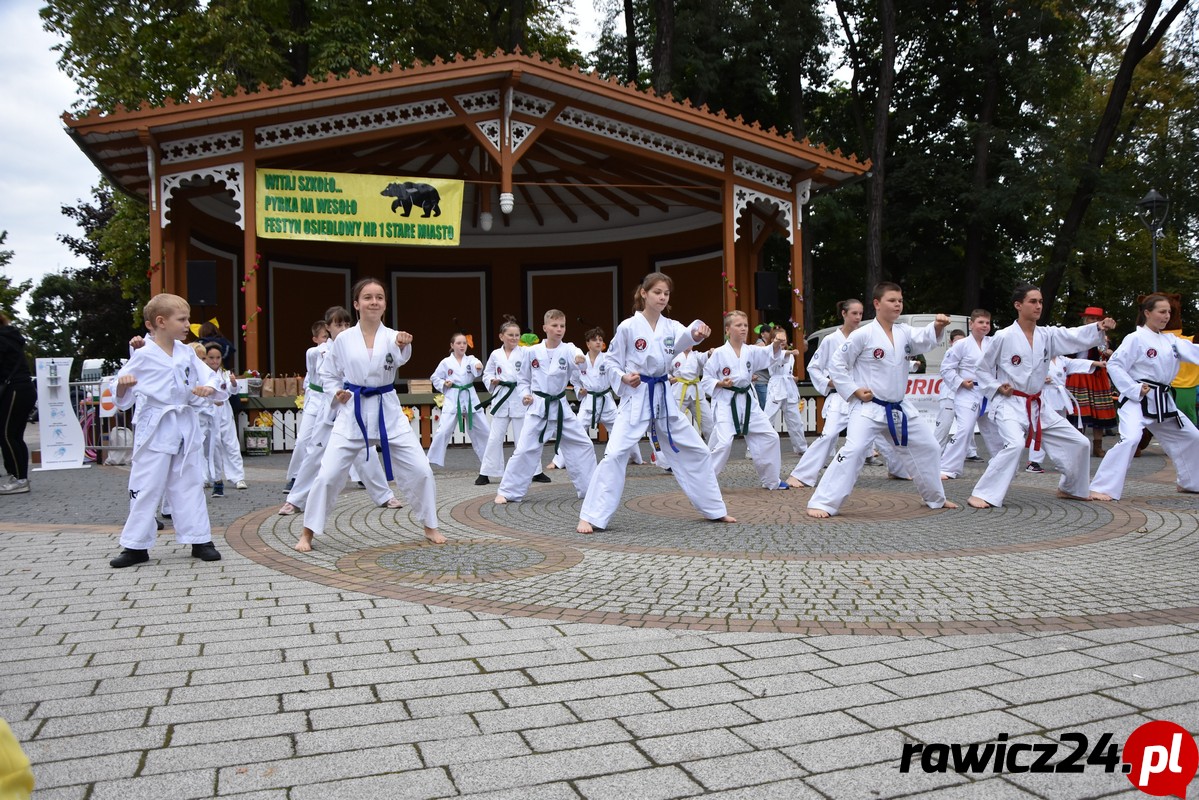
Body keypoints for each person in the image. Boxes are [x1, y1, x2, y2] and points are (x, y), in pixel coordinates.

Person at [578, 273, 734, 533]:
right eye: (657, 292)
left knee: (698, 450)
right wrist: (624, 377)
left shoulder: (671, 327)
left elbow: (688, 337)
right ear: (644, 294)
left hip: (663, 396)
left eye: (666, 293)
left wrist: (698, 332)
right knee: (615, 453)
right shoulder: (628, 327)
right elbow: (611, 362)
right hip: (637, 396)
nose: (662, 297)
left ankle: (714, 509)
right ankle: (592, 516)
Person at [297, 279, 441, 551]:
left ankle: (430, 525)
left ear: (385, 304)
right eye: (367, 297)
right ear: (357, 304)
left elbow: (401, 357)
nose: (374, 302)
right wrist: (335, 393)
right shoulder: (343, 340)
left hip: (387, 410)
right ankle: (307, 532)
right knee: (327, 475)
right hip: (353, 410)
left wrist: (402, 343)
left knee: (422, 470)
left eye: (379, 297)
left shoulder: (393, 336)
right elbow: (328, 375)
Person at [807, 283, 957, 518]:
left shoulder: (904, 332)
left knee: (929, 446)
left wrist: (937, 326)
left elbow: (925, 339)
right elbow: (836, 364)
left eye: (900, 300)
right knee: (854, 450)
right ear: (877, 304)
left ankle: (935, 497)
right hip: (869, 407)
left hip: (899, 406)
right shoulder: (863, 335)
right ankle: (823, 502)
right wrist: (854, 389)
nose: (898, 304)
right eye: (892, 300)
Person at [966, 284, 1115, 509]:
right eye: (1032, 301)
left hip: (1038, 403)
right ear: (1018, 305)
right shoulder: (1003, 337)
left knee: (1080, 443)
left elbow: (1073, 336)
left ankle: (1071, 487)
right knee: (1015, 445)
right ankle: (984, 493)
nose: (1038, 306)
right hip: (1009, 403)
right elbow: (981, 369)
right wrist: (997, 386)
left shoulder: (1048, 335)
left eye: (1040, 301)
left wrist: (1098, 327)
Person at [109, 293, 223, 568]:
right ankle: (136, 545)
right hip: (156, 426)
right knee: (146, 484)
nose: (188, 325)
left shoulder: (186, 353)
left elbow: (209, 377)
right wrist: (123, 385)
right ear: (160, 322)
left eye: (188, 319)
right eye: (182, 320)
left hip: (183, 424)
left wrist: (209, 388)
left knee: (189, 482)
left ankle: (199, 539)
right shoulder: (144, 354)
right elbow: (117, 391)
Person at [279, 307, 401, 516]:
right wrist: (335, 394)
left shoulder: (358, 345)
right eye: (338, 325)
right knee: (315, 452)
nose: (343, 328)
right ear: (328, 328)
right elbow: (322, 380)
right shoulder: (319, 351)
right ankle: (295, 499)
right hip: (329, 407)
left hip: (357, 407)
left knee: (366, 450)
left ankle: (384, 495)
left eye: (346, 324)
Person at [787, 299, 907, 489]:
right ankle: (802, 475)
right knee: (829, 434)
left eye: (860, 314)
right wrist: (828, 382)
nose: (858, 318)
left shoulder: (868, 335)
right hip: (840, 396)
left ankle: (898, 469)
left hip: (867, 397)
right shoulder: (830, 340)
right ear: (843, 314)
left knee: (886, 433)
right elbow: (814, 367)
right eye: (854, 314)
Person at [1091, 294, 1199, 500]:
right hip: (1137, 400)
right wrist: (1133, 388)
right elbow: (1115, 365)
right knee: (1130, 439)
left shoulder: (1171, 340)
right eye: (1162, 311)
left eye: (1169, 312)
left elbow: (1195, 352)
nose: (1166, 316)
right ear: (1147, 313)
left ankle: (1191, 482)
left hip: (1162, 401)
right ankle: (1102, 488)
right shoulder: (1135, 338)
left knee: (1192, 437)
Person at [495, 310, 596, 504]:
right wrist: (525, 395)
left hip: (560, 407)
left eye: (562, 326)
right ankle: (508, 491)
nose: (559, 329)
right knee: (524, 449)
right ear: (545, 328)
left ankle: (589, 488)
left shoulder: (569, 349)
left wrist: (579, 359)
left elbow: (578, 358)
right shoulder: (531, 352)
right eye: (555, 325)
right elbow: (523, 379)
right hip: (538, 407)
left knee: (584, 444)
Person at [705, 310, 789, 489]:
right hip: (727, 401)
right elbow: (706, 379)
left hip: (748, 399)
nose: (743, 329)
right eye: (738, 325)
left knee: (770, 436)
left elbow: (768, 354)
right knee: (723, 442)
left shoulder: (750, 351)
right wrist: (720, 383)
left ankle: (771, 480)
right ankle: (705, 482)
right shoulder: (719, 353)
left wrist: (775, 343)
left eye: (745, 325)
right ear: (728, 330)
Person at [548, 326, 644, 471]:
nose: (598, 342)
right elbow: (574, 379)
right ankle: (558, 461)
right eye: (594, 340)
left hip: (606, 400)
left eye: (600, 340)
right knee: (575, 429)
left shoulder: (608, 359)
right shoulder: (580, 360)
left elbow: (617, 374)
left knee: (621, 428)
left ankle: (636, 457)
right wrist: (578, 389)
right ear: (588, 344)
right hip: (589, 401)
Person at [479, 316, 551, 485]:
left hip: (521, 397)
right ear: (501, 336)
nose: (514, 338)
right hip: (502, 396)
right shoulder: (495, 354)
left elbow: (535, 371)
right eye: (510, 335)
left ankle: (535, 471)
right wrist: (492, 381)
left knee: (525, 437)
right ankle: (487, 472)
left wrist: (533, 390)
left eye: (517, 335)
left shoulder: (526, 352)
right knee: (494, 438)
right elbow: (487, 373)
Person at [938, 310, 1002, 480]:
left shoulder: (994, 343)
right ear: (971, 324)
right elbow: (946, 368)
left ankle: (1003, 465)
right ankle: (948, 467)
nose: (985, 326)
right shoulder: (962, 344)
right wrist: (959, 381)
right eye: (981, 322)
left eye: (987, 323)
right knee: (965, 429)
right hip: (968, 391)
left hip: (988, 393)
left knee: (994, 430)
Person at [427, 332, 491, 479]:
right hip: (453, 397)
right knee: (443, 431)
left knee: (484, 431)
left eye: (464, 343)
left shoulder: (471, 359)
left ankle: (487, 467)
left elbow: (477, 367)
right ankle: (428, 463)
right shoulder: (445, 362)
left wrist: (478, 365)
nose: (462, 345)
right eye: (459, 343)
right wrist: (444, 383)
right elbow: (435, 377)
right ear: (452, 345)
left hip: (469, 397)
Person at [1026, 354, 1101, 473]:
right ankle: (1033, 461)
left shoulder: (1062, 360)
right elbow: (1027, 373)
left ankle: (1062, 460)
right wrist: (1040, 379)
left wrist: (1097, 363)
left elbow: (1078, 363)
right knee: (1041, 428)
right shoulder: (1038, 357)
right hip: (1044, 396)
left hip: (1060, 396)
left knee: (1062, 430)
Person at [283, 320, 330, 494]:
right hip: (316, 398)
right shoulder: (313, 353)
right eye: (324, 337)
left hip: (336, 399)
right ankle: (295, 476)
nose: (328, 340)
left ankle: (363, 477)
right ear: (315, 339)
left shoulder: (339, 349)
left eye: (329, 336)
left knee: (351, 438)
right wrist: (326, 348)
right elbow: (316, 354)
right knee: (304, 439)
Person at [1065, 305, 1117, 457]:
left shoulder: (1105, 338)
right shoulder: (1077, 334)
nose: (1094, 321)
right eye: (1091, 319)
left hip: (1098, 376)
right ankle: (1078, 445)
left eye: (1097, 319)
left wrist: (1110, 353)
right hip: (1079, 374)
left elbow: (1111, 357)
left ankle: (1097, 446)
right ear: (1085, 320)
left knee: (1100, 411)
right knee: (1079, 411)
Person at [201, 343, 247, 497]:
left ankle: (237, 477)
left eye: (218, 358)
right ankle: (209, 476)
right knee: (210, 444)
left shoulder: (225, 374)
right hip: (208, 409)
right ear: (205, 358)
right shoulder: (202, 374)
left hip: (224, 410)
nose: (214, 361)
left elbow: (233, 391)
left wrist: (234, 383)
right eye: (211, 358)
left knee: (230, 442)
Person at [0, 313, 35, 495]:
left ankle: (19, 478)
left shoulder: (2, 340)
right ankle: (19, 477)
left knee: (7, 435)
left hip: (15, 389)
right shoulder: (10, 336)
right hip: (23, 389)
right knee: (14, 435)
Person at [761, 326, 808, 457]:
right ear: (772, 339)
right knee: (767, 418)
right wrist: (790, 353)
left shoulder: (790, 354)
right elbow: (779, 358)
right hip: (776, 387)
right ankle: (756, 448)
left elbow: (786, 371)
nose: (782, 341)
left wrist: (793, 378)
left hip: (789, 387)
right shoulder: (770, 352)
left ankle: (801, 447)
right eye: (779, 338)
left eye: (784, 338)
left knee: (796, 421)